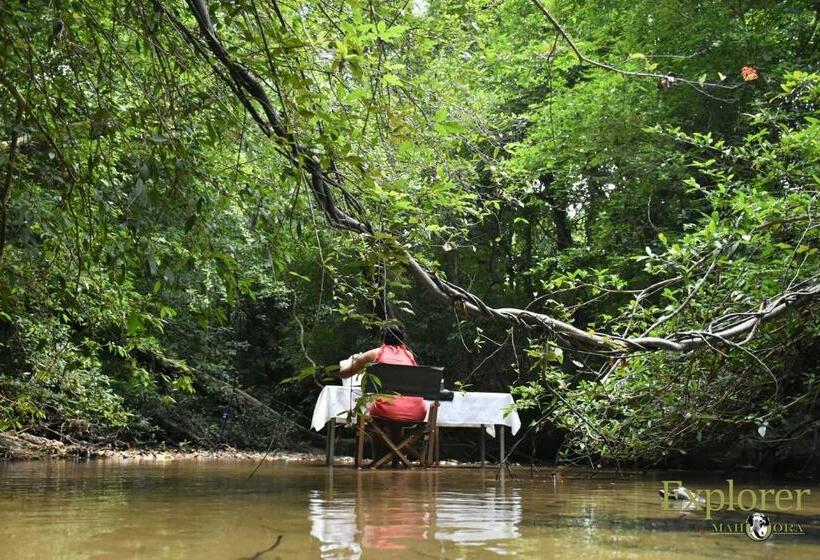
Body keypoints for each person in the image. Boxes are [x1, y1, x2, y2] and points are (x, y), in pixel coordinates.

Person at [339, 325, 427, 423]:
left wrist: (351, 360)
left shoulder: (374, 354)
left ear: (382, 337)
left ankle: (377, 438)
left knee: (371, 405)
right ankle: (396, 439)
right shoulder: (409, 356)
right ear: (402, 338)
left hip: (386, 412)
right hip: (416, 412)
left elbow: (344, 374)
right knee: (392, 408)